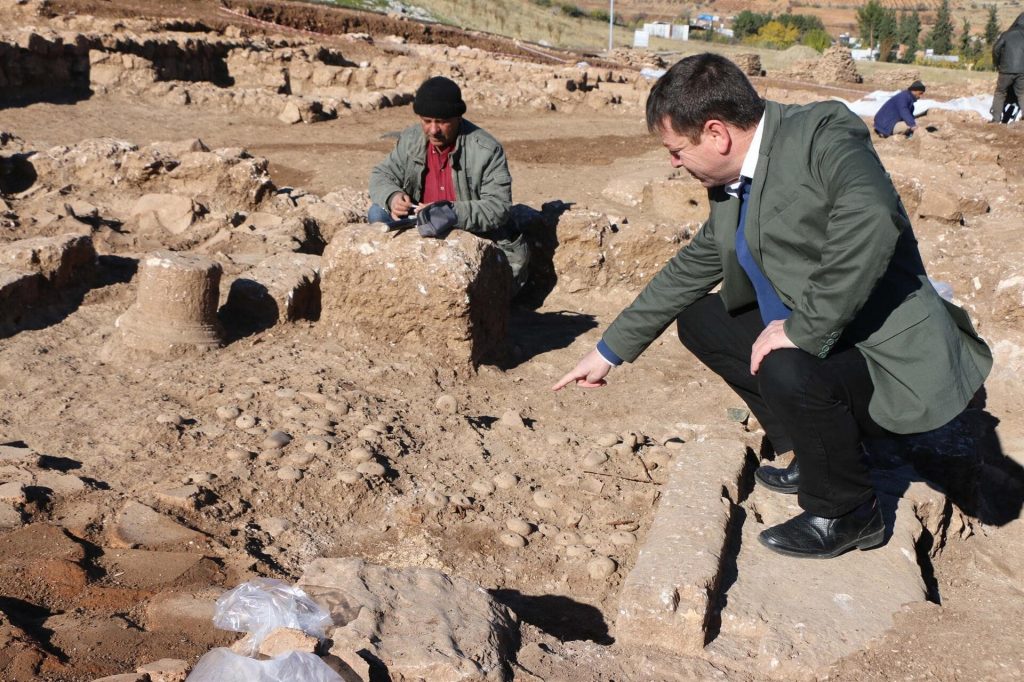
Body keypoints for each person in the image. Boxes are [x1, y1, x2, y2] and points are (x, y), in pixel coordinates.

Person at [553, 54, 992, 560]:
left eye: (677, 150)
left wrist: (802, 328)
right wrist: (610, 350)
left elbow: (871, 215)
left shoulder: (821, 133)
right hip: (832, 341)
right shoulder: (735, 183)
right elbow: (693, 266)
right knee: (702, 320)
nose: (673, 163)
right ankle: (812, 450)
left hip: (882, 352)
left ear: (716, 133)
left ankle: (849, 511)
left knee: (787, 361)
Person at [368, 76, 530, 291]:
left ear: (458, 118)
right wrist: (393, 197)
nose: (433, 130)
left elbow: (497, 208)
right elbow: (382, 174)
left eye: (442, 122)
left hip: (467, 229)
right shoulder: (411, 139)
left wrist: (449, 211)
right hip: (422, 221)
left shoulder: (486, 150)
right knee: (377, 214)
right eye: (426, 121)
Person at [992, 13, 1024, 124]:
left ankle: (995, 119)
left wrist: (997, 64)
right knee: (1022, 93)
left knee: (1000, 93)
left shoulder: (1006, 34)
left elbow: (996, 49)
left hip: (1005, 70)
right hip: (1022, 72)